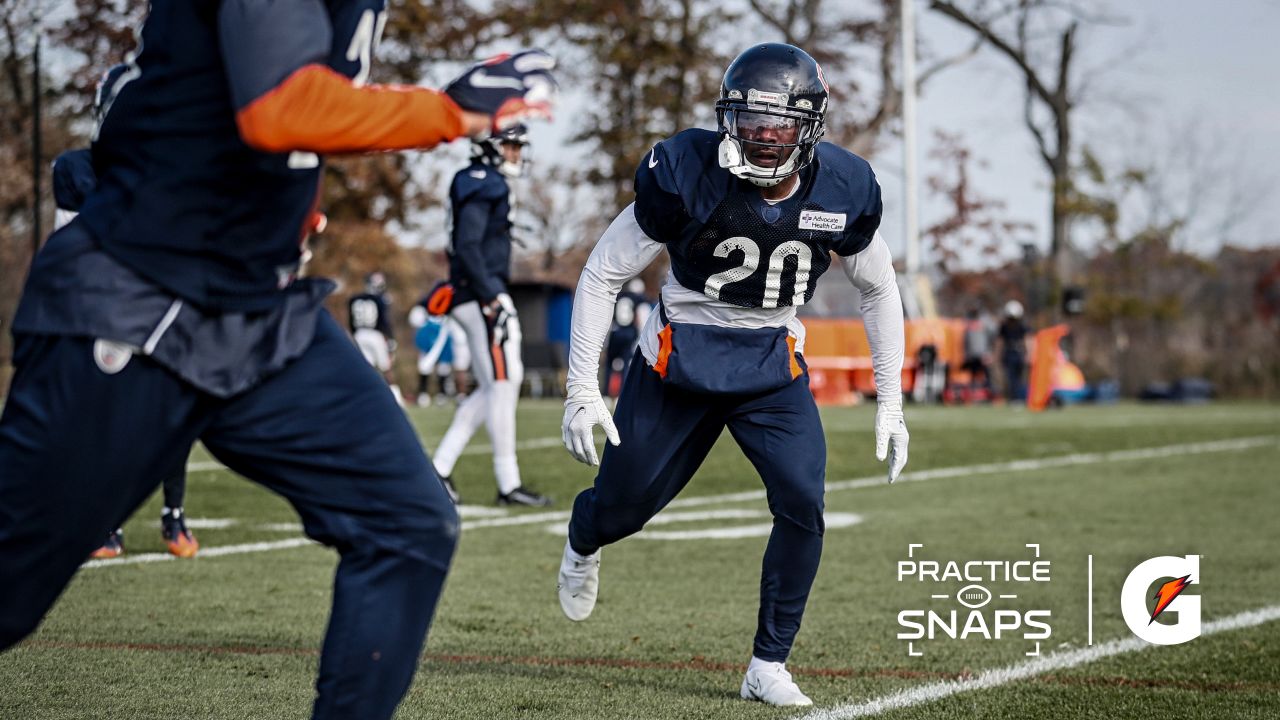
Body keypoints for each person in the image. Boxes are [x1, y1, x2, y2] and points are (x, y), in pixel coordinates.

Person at [0, 0, 556, 716]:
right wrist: (447, 111)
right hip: (136, 291)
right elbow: (277, 108)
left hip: (252, 306)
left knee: (409, 523)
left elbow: (292, 115)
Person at [555, 43, 909, 708]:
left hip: (772, 363)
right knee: (624, 509)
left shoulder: (844, 187)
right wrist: (581, 387)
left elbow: (880, 287)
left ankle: (767, 664)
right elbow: (603, 271)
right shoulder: (685, 169)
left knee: (803, 502)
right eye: (748, 121)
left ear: (808, 128)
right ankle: (585, 533)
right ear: (726, 119)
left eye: (776, 125)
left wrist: (891, 398)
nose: (761, 136)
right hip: (678, 359)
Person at [50, 67, 199, 560]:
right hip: (106, 305)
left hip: (162, 302)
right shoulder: (76, 168)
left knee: (173, 411)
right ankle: (105, 520)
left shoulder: (172, 168)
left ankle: (173, 513)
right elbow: (65, 245)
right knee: (108, 415)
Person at [429, 124, 551, 507]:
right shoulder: (485, 181)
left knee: (498, 383)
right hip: (481, 294)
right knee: (502, 383)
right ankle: (507, 482)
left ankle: (439, 470)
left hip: (477, 292)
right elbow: (467, 244)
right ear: (491, 145)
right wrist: (490, 295)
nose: (516, 153)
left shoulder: (476, 179)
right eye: (511, 145)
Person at [348, 271, 404, 404]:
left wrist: (354, 335)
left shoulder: (354, 298)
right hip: (375, 334)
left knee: (367, 368)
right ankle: (396, 397)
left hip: (359, 334)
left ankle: (364, 397)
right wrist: (390, 338)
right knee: (386, 367)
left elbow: (351, 321)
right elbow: (384, 321)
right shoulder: (379, 299)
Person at [602, 278, 650, 397]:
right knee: (626, 365)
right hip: (629, 334)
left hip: (615, 332)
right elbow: (641, 321)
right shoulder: (639, 300)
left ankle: (607, 394)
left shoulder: (619, 297)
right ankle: (622, 394)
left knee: (609, 365)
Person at [998, 299, 1030, 401]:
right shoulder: (1004, 327)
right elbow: (1000, 342)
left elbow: (1027, 340)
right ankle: (1014, 397)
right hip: (1009, 353)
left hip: (1018, 353)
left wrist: (1028, 353)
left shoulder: (1022, 326)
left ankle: (1020, 397)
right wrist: (998, 354)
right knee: (1011, 377)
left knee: (1019, 377)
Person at [960, 306, 993, 401]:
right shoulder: (968, 325)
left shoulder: (984, 324)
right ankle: (972, 396)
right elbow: (965, 342)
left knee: (987, 377)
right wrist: (966, 355)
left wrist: (988, 353)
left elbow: (990, 340)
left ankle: (989, 396)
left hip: (983, 355)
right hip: (972, 355)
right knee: (973, 377)